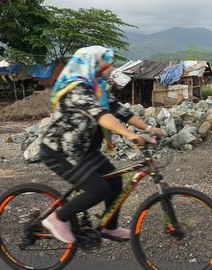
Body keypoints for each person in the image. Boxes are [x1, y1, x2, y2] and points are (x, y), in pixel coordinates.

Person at [39, 46, 163, 243]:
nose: (111, 68)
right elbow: (102, 116)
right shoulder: (77, 88)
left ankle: (109, 227)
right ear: (94, 64)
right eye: (107, 63)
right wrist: (129, 135)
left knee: (115, 182)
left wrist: (148, 129)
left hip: (85, 151)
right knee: (98, 190)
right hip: (61, 151)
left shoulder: (98, 89)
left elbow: (118, 111)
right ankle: (57, 218)